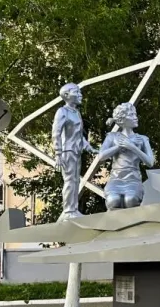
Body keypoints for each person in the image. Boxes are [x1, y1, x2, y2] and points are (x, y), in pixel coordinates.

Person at [52, 83, 97, 221]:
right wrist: (58, 153)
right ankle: (68, 211)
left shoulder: (76, 112)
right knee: (69, 181)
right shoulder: (62, 112)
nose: (80, 95)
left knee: (75, 181)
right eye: (76, 92)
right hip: (67, 151)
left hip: (76, 151)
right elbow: (56, 133)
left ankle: (73, 209)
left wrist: (89, 148)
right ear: (66, 95)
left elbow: (79, 135)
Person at [99, 103, 155, 210]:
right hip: (115, 179)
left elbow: (150, 162)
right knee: (113, 200)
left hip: (133, 180)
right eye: (131, 115)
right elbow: (101, 156)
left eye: (135, 114)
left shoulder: (142, 139)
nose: (135, 117)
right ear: (122, 120)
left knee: (131, 200)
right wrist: (119, 146)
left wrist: (132, 147)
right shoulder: (112, 137)